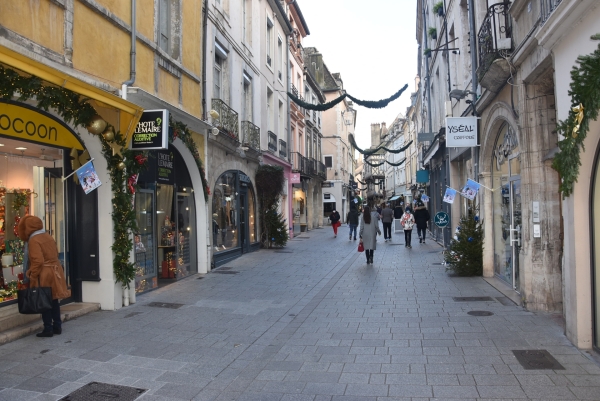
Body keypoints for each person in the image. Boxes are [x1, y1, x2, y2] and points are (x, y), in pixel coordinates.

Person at [18, 215, 70, 338]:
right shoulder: (47, 236)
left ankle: (48, 328)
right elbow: (55, 253)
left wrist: (31, 274)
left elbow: (37, 261)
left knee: (44, 300)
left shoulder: (34, 240)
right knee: (54, 300)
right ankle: (57, 326)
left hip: (44, 274)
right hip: (54, 271)